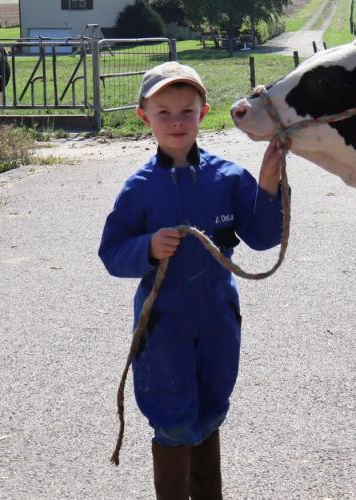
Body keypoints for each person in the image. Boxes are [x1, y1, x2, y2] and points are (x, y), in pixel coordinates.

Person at [98, 61, 284, 499]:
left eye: (187, 110)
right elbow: (111, 253)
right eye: (164, 113)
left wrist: (269, 186)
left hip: (219, 320)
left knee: (210, 410)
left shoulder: (228, 178)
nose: (176, 121)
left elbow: (261, 236)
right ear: (144, 117)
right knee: (174, 418)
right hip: (164, 327)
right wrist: (146, 247)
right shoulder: (139, 189)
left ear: (204, 112)